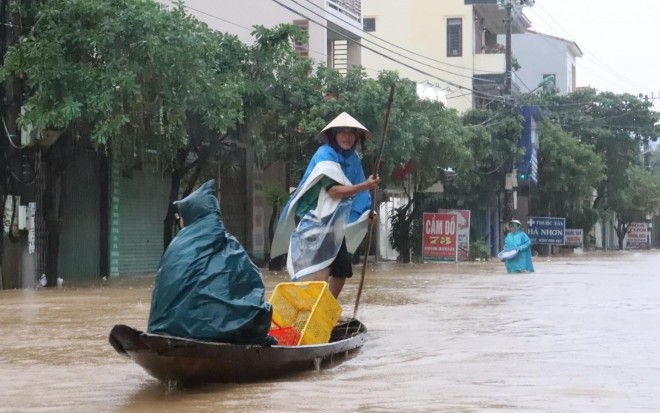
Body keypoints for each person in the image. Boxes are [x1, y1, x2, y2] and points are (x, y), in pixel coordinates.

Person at [147, 180, 275, 345]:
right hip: (214, 333)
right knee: (259, 313)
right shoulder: (229, 245)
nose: (180, 221)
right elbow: (252, 284)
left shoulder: (175, 245)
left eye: (181, 216)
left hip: (163, 329)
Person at [270, 112, 380, 298]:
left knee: (342, 270)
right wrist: (367, 185)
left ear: (357, 137)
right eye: (342, 132)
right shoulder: (325, 155)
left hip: (335, 224)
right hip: (317, 220)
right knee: (323, 265)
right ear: (333, 135)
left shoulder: (353, 159)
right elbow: (334, 191)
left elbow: (359, 194)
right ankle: (316, 308)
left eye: (351, 133)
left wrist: (368, 213)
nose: (347, 137)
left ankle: (325, 308)